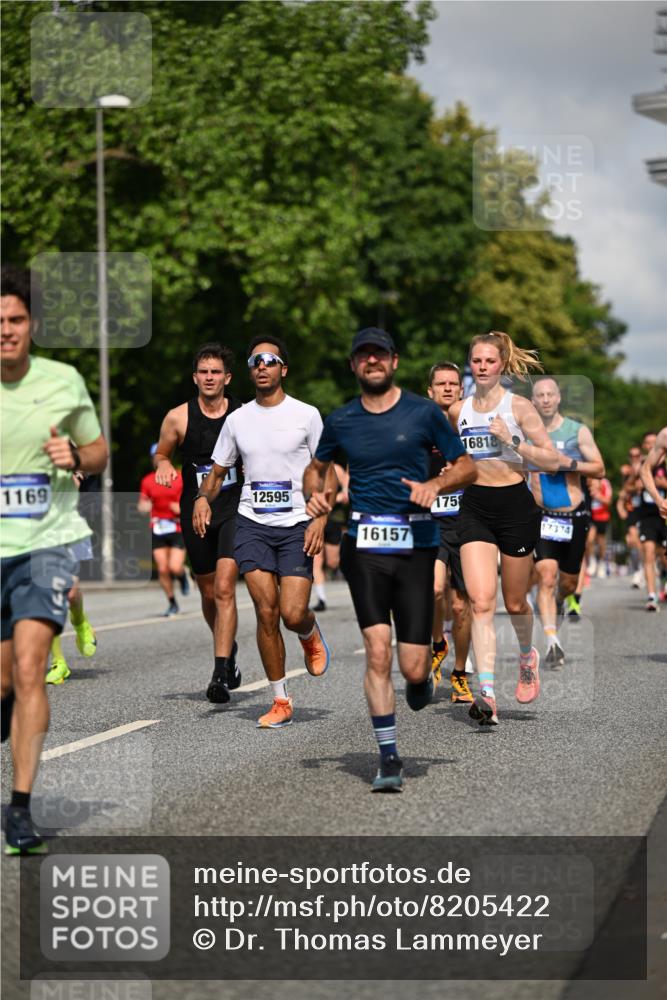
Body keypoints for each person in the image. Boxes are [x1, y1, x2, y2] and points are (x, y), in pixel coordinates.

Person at [303, 328, 476, 792]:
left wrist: (436, 486)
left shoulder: (422, 413)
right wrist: (316, 501)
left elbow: (465, 466)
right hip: (366, 545)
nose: (372, 362)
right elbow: (316, 470)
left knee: (413, 668)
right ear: (353, 365)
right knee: (377, 650)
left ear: (394, 362)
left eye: (380, 355)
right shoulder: (341, 421)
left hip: (417, 545)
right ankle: (389, 756)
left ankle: (421, 680)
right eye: (364, 356)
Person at [1, 264, 108, 854]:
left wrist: (77, 454)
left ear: (32, 324)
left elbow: (98, 450)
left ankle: (19, 809)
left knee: (29, 665)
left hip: (46, 543)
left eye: (15, 319)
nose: (6, 330)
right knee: (4, 680)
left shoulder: (64, 381)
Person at [193, 336, 333, 728]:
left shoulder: (306, 415)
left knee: (291, 612)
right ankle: (280, 699)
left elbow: (327, 473)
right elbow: (218, 472)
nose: (262, 365)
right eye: (256, 360)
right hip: (252, 523)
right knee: (266, 611)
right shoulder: (237, 419)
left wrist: (321, 519)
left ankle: (308, 631)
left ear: (283, 369)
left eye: (270, 360)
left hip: (296, 525)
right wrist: (202, 499)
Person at [447, 331, 559, 726]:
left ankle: (528, 655)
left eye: (489, 361)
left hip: (515, 508)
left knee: (514, 603)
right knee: (480, 602)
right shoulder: (457, 410)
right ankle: (488, 692)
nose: (481, 367)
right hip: (475, 507)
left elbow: (551, 459)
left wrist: (511, 439)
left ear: (501, 364)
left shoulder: (520, 407)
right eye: (475, 361)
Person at [154, 343, 243, 701]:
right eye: (203, 372)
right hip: (196, 511)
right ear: (195, 378)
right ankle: (229, 647)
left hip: (236, 509)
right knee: (208, 592)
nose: (209, 377)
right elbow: (162, 452)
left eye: (216, 372)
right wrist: (162, 464)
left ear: (227, 377)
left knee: (224, 588)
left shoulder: (243, 414)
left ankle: (220, 671)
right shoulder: (178, 417)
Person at [529, 376, 605, 667]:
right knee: (546, 577)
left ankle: (562, 601)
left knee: (569, 583)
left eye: (550, 394)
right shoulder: (527, 434)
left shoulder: (577, 431)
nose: (546, 399)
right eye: (540, 395)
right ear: (533, 401)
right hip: (542, 518)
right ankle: (552, 641)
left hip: (573, 517)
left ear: (558, 398)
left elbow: (599, 468)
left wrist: (568, 463)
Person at [427, 362, 474, 703]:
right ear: (430, 391)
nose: (447, 388)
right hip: (431, 522)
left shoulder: (472, 425)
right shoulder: (420, 427)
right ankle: (437, 643)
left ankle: (459, 673)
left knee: (461, 607)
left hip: (469, 522)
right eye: (440, 383)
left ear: (461, 389)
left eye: (453, 383)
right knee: (433, 588)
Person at [138, 446, 188, 617]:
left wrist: (180, 508)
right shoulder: (147, 480)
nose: (157, 459)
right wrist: (144, 507)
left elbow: (191, 501)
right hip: (157, 528)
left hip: (177, 527)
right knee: (163, 569)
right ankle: (172, 602)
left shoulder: (180, 478)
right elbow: (142, 503)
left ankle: (182, 576)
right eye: (154, 456)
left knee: (174, 567)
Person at [311, 463, 348, 612]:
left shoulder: (337, 469)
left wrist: (337, 497)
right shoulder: (309, 468)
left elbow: (348, 493)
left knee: (333, 562)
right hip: (314, 518)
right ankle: (321, 599)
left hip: (334, 519)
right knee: (316, 560)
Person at [638, 427, 667, 611]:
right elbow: (645, 470)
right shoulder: (665, 437)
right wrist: (659, 500)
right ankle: (651, 595)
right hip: (651, 515)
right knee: (648, 552)